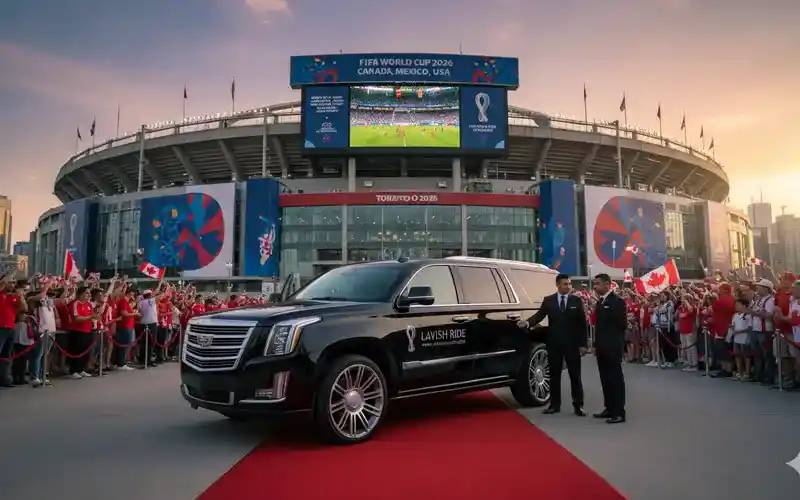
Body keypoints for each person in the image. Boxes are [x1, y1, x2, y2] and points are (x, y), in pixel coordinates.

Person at [517, 273, 587, 416]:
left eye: (569, 284)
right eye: (565, 284)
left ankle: (578, 405)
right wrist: (528, 323)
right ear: (558, 285)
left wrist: (583, 344)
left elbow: (582, 324)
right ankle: (555, 405)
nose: (568, 286)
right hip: (554, 344)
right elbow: (539, 315)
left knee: (575, 376)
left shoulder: (576, 301)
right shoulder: (549, 301)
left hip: (572, 345)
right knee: (554, 375)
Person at [591, 273, 627, 424]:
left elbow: (620, 325)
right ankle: (609, 407)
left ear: (607, 284)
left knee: (615, 379)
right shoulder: (600, 302)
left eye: (598, 283)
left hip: (612, 346)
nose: (595, 286)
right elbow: (598, 326)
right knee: (605, 378)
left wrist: (612, 344)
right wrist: (595, 344)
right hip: (601, 347)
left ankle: (619, 412)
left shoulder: (617, 302)